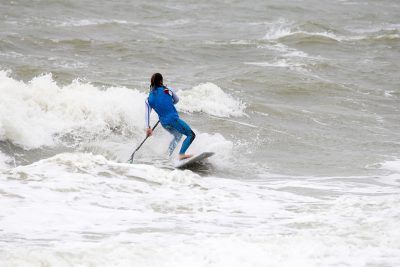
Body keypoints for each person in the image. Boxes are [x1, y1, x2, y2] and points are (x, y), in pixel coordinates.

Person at [145, 73, 195, 160]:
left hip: (164, 123)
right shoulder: (167, 90)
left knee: (178, 135)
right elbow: (176, 100)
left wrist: (148, 127)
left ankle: (168, 155)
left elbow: (147, 114)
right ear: (161, 81)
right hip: (173, 120)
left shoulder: (148, 98)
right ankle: (181, 154)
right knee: (191, 135)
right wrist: (169, 101)